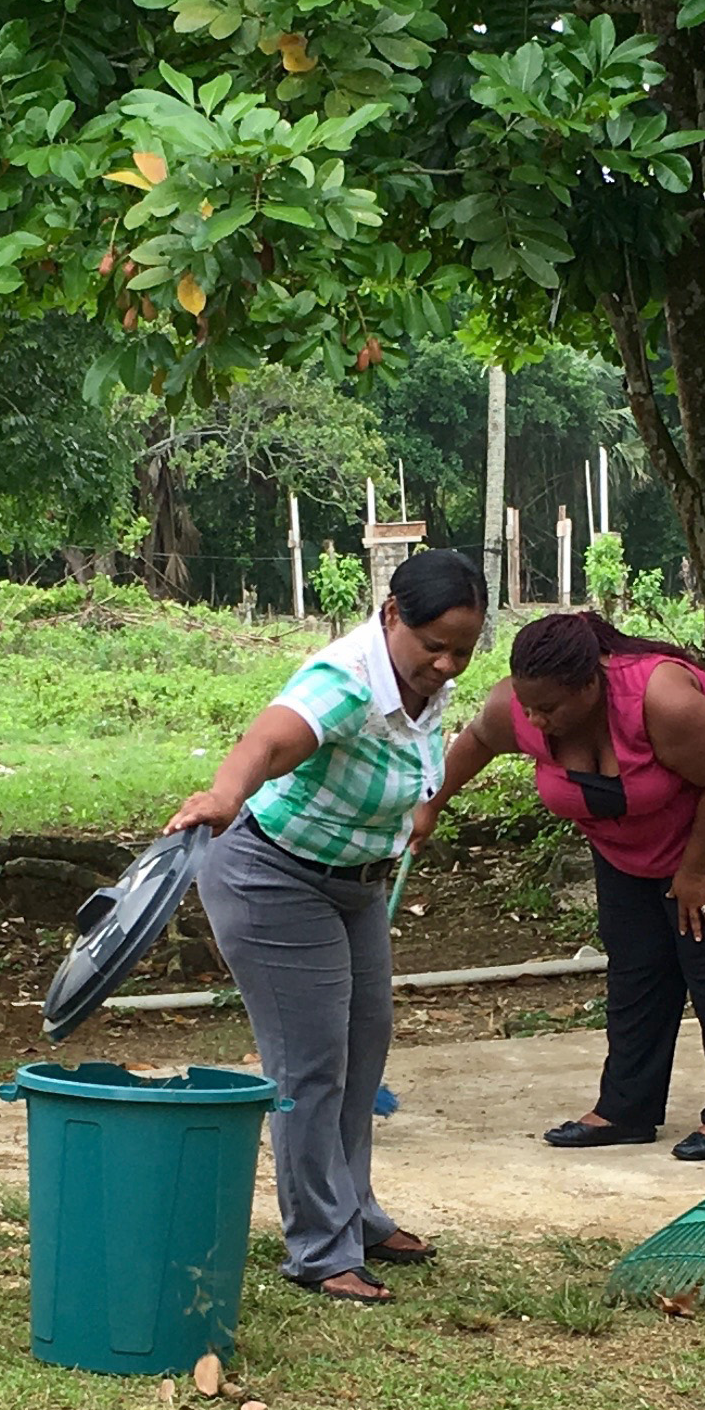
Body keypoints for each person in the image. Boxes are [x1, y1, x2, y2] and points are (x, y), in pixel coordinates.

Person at [167, 549, 490, 1302]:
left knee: (362, 1052)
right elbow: (270, 740)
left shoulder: (423, 683)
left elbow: (410, 756)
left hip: (355, 884)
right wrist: (223, 793)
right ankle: (319, 1248)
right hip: (272, 876)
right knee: (309, 1067)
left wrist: (415, 806)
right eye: (433, 644)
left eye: (463, 652)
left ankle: (356, 1213)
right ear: (390, 618)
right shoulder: (346, 680)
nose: (446, 664)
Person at [420, 607, 705, 1158]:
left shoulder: (660, 700)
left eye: (549, 708)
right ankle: (627, 1108)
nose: (536, 719)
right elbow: (478, 739)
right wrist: (431, 806)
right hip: (631, 827)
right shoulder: (521, 708)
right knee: (635, 955)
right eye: (529, 706)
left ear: (591, 686)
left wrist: (693, 871)